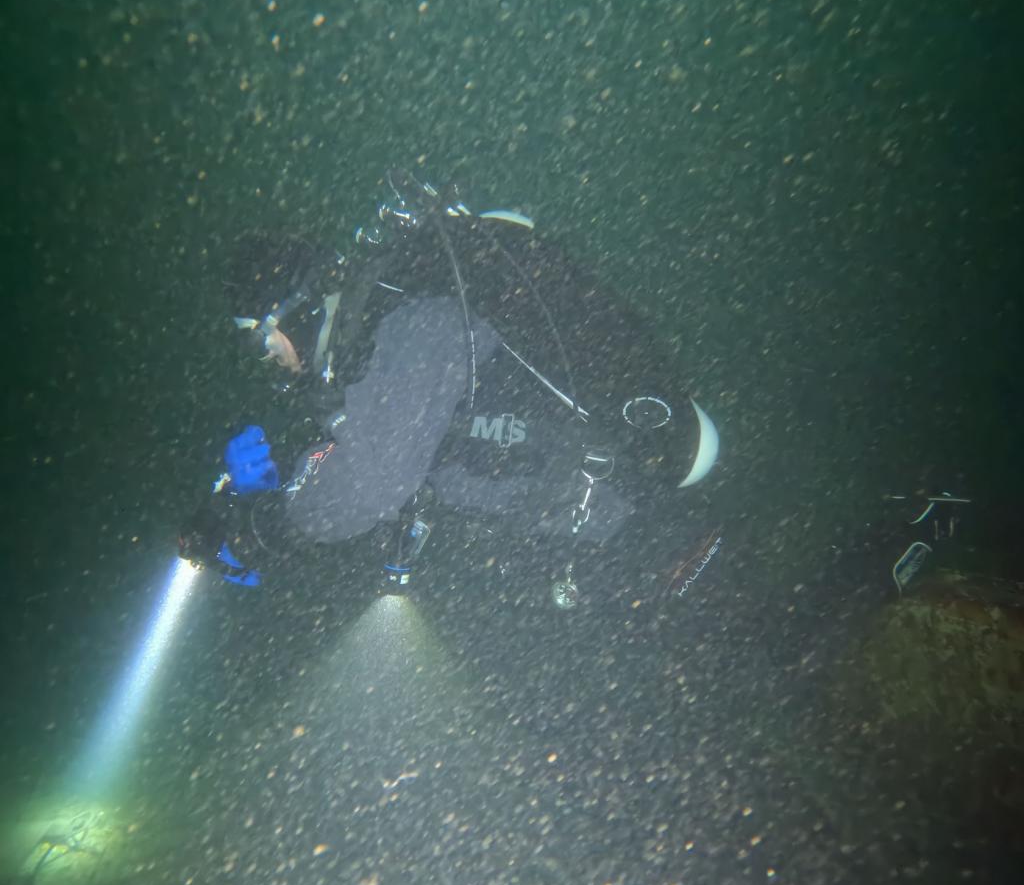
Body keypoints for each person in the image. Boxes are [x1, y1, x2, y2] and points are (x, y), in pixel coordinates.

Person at [178, 172, 722, 617]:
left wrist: (261, 529)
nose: (269, 361)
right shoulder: (375, 345)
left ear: (293, 307)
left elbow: (371, 485)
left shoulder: (408, 320)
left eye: (261, 340)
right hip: (611, 536)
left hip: (635, 521)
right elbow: (391, 466)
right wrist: (280, 488)